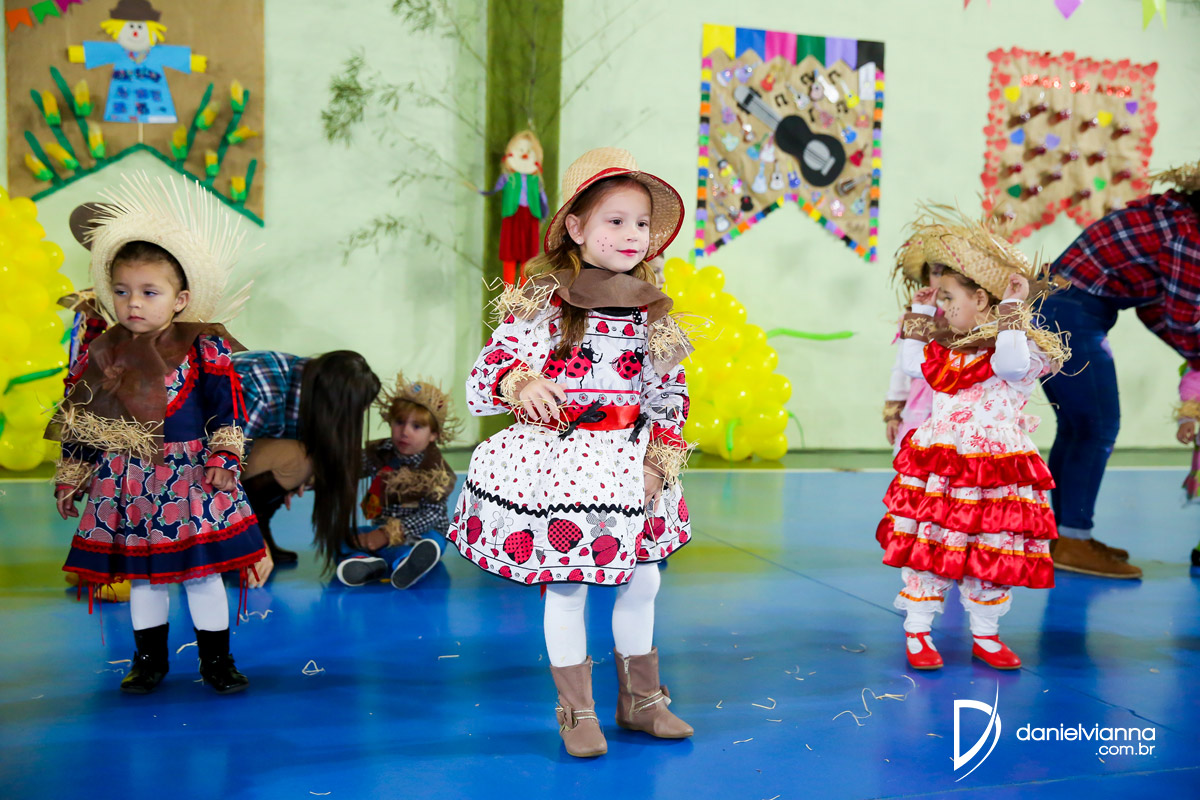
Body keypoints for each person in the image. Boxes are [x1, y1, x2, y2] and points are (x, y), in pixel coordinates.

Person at [450, 148, 694, 757]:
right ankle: (577, 710)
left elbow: (670, 395)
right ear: (577, 228)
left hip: (630, 464)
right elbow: (491, 366)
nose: (632, 234)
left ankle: (642, 701)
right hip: (565, 465)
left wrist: (660, 460)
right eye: (616, 220)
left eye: (642, 223)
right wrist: (521, 381)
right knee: (568, 585)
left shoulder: (653, 311)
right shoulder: (544, 299)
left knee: (643, 580)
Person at [52, 174, 264, 695]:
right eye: (122, 292)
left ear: (179, 298)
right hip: (127, 479)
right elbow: (84, 416)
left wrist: (224, 457)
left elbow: (227, 407)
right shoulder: (104, 353)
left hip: (191, 478)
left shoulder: (202, 348)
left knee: (201, 574)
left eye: (150, 292)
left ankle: (217, 661)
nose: (134, 303)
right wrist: (73, 473)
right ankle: (148, 661)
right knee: (144, 576)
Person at [877, 208, 1068, 671]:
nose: (944, 307)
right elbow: (910, 364)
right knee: (932, 547)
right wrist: (922, 311)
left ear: (981, 298)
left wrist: (1012, 310)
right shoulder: (947, 351)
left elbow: (1009, 364)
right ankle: (918, 630)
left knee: (990, 548)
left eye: (948, 298)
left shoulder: (1016, 350)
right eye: (940, 300)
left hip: (994, 472)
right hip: (945, 468)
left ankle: (986, 634)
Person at [1041, 160, 1200, 578]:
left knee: (1076, 428)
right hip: (1071, 313)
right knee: (1097, 428)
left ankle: (1064, 535)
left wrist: (1192, 356)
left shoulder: (1171, 217)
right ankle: (1073, 542)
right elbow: (1185, 318)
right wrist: (1196, 356)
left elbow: (1153, 307)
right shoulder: (1190, 235)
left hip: (1052, 307)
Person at [232, 349, 381, 575]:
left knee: (304, 465)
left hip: (231, 450)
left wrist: (288, 480)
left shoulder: (311, 386)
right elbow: (219, 467)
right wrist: (252, 540)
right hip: (193, 462)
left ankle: (254, 528)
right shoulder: (263, 388)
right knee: (298, 461)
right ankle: (233, 540)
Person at [333, 373, 459, 589]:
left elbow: (432, 515)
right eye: (399, 422)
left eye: (416, 426)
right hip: (381, 530)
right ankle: (366, 563)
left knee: (430, 541)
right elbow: (350, 469)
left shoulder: (436, 471)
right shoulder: (381, 453)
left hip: (419, 532)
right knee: (343, 537)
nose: (405, 432)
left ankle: (407, 562)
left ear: (433, 434)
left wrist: (388, 534)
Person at [884, 239, 946, 452]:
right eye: (936, 273)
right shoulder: (915, 316)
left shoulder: (968, 318)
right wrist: (894, 412)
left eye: (949, 273)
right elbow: (901, 367)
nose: (942, 280)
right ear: (927, 277)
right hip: (921, 405)